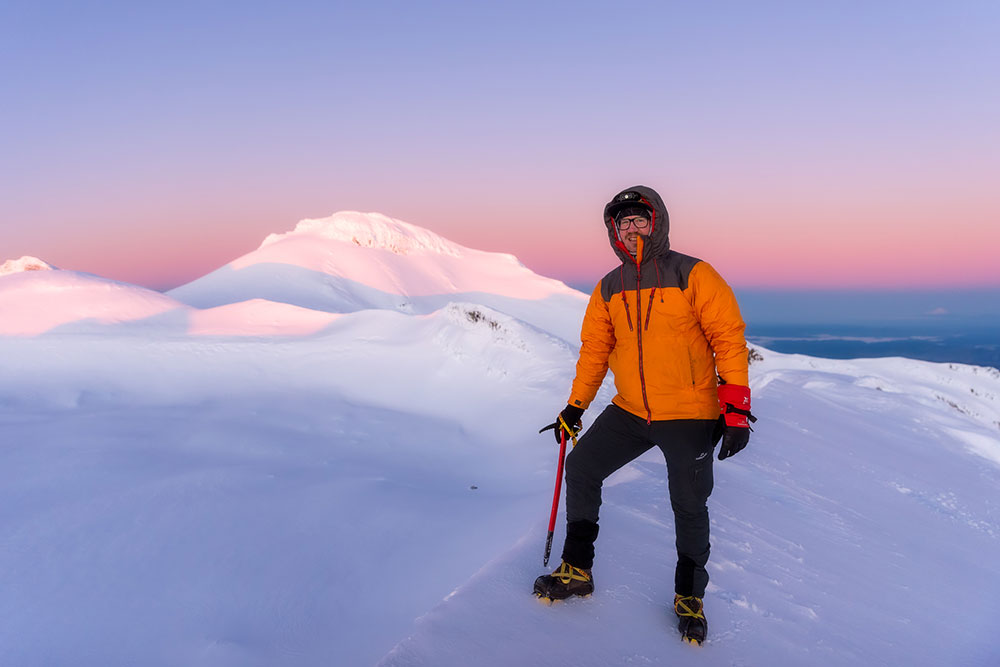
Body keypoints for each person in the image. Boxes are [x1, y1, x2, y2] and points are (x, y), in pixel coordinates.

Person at [534, 185, 755, 645]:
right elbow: (595, 351)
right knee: (582, 466)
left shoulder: (693, 274)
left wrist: (735, 411)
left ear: (656, 223)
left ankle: (689, 596)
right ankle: (578, 569)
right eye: (623, 222)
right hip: (631, 409)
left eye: (639, 220)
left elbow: (728, 340)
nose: (631, 228)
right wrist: (575, 407)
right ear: (613, 231)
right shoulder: (609, 287)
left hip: (689, 412)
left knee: (688, 504)